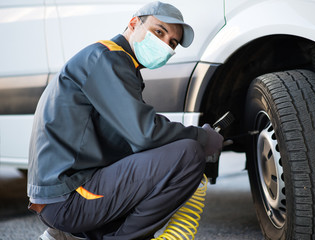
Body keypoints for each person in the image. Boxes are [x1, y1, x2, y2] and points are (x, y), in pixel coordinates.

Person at [27, 1, 223, 239]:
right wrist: (202, 137)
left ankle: (71, 235)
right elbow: (145, 134)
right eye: (159, 32)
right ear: (133, 24)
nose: (165, 45)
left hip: (68, 196)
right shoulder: (107, 58)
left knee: (167, 157)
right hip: (69, 198)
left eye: (172, 43)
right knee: (188, 153)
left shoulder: (116, 62)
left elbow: (135, 142)